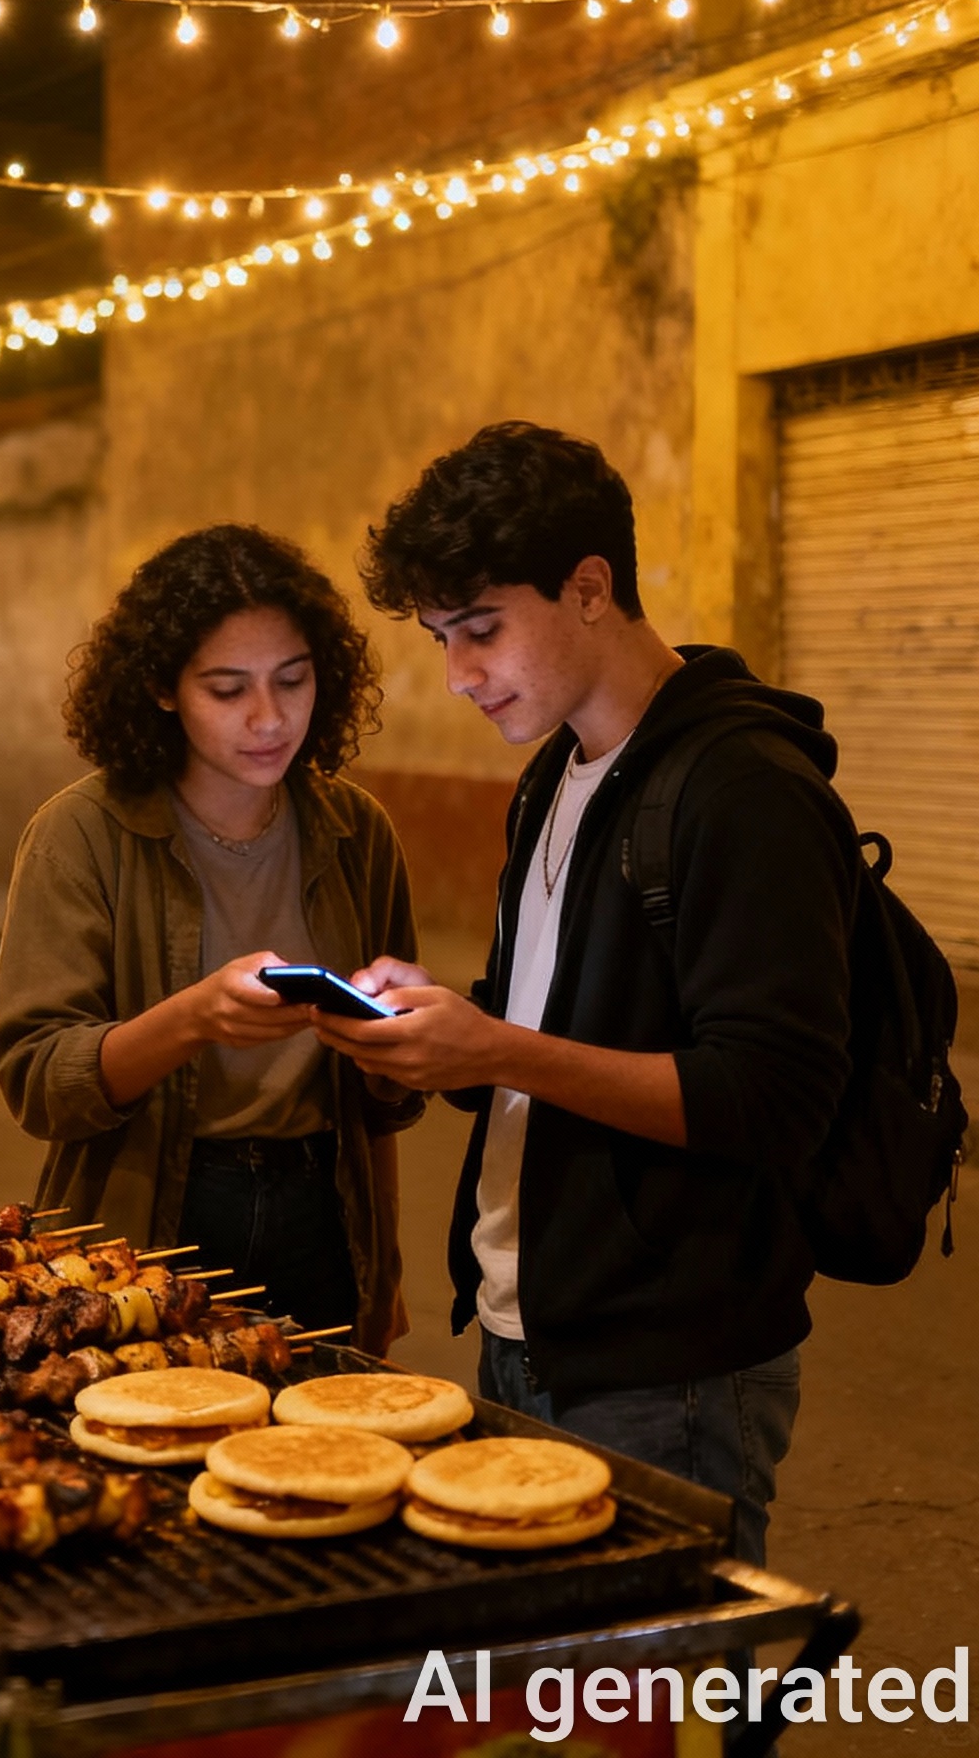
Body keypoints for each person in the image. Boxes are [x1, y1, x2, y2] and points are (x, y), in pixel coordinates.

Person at [313, 421, 853, 1566]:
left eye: (480, 629)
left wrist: (497, 1049)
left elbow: (770, 1097)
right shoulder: (553, 772)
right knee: (558, 1729)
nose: (459, 673)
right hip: (528, 1329)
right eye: (439, 637)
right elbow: (559, 1020)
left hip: (670, 1364)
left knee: (668, 1721)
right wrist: (447, 1022)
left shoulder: (740, 788)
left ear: (589, 585)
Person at [0, 524, 423, 1351]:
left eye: (293, 681)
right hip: (154, 1212)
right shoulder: (82, 832)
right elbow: (40, 1081)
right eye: (228, 691)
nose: (270, 719)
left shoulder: (353, 828)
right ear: (161, 687)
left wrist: (383, 1269)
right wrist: (192, 1019)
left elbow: (380, 1113)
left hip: (321, 1207)